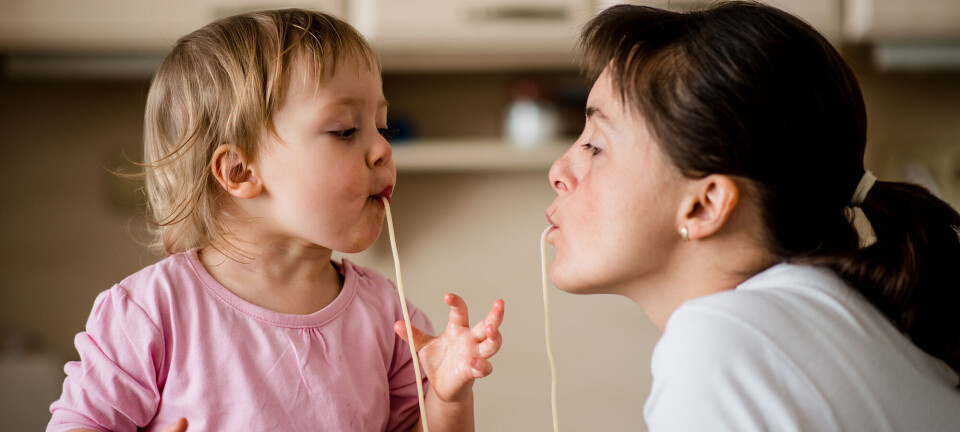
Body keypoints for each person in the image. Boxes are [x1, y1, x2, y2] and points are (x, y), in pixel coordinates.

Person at [47, 9, 504, 432]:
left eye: (383, 127)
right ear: (240, 172)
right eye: (346, 130)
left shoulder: (388, 316)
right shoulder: (151, 312)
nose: (383, 149)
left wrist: (446, 401)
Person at [544, 2, 960, 430]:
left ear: (705, 205)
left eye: (595, 145)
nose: (558, 172)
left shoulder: (721, 344)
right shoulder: (832, 315)